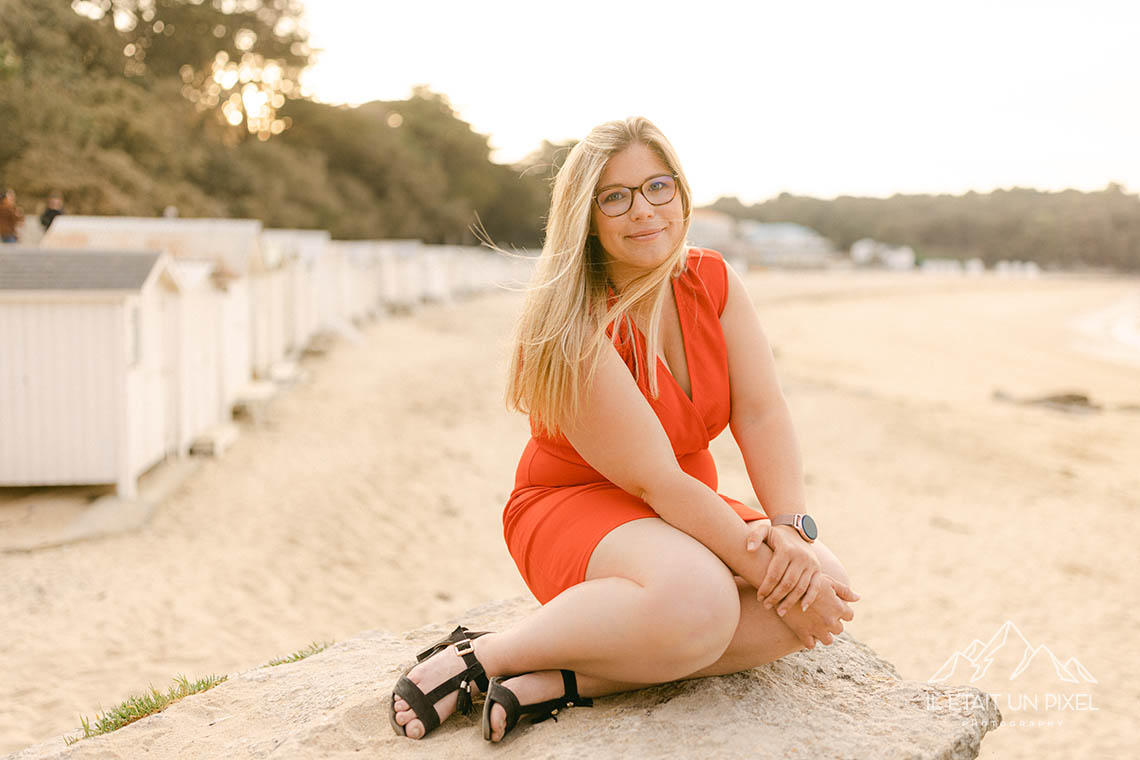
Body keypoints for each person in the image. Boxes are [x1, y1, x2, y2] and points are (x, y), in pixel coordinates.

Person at [389, 117, 860, 744]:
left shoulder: (713, 281)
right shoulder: (572, 321)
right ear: (587, 216)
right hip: (574, 507)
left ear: (682, 193)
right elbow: (659, 480)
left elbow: (762, 412)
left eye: (657, 187)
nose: (644, 211)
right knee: (706, 604)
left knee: (822, 589)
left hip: (680, 512)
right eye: (616, 197)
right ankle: (484, 657)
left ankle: (565, 682)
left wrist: (790, 531)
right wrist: (776, 568)